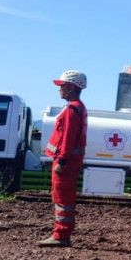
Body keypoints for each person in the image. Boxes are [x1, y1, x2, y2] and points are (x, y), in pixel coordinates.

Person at [39, 70, 88, 248]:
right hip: (70, 160)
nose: (59, 89)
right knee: (64, 197)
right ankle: (61, 233)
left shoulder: (72, 109)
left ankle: (61, 235)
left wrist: (62, 160)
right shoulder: (78, 107)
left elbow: (67, 137)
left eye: (63, 86)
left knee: (62, 198)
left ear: (72, 88)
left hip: (65, 162)